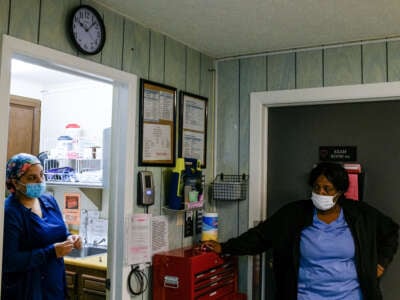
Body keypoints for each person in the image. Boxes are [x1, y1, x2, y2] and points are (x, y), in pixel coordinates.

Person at [201, 162, 399, 300]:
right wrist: (225, 247)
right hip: (306, 295)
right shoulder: (294, 214)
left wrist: (381, 263)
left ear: (339, 192)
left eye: (327, 189)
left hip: (351, 295)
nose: (321, 193)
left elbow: (391, 231)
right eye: (316, 187)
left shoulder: (360, 214)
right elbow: (260, 236)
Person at [2, 153, 82, 299]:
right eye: (32, 178)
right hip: (27, 289)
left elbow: (61, 232)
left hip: (55, 285)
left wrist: (71, 238)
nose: (40, 181)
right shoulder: (9, 212)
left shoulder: (49, 200)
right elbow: (9, 261)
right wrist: (52, 252)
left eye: (41, 175)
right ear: (15, 181)